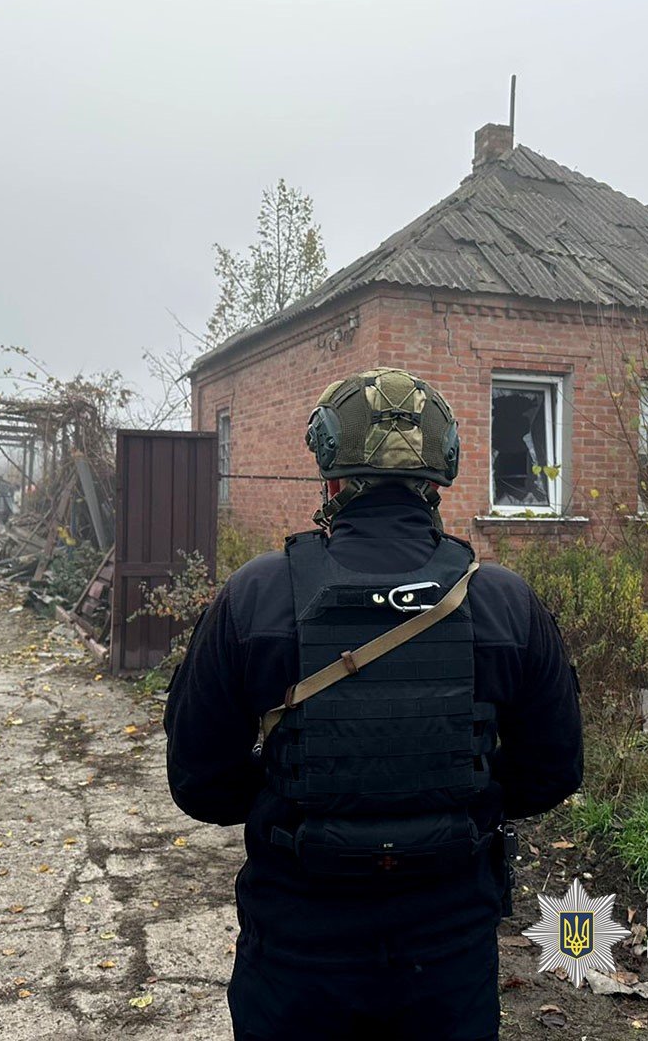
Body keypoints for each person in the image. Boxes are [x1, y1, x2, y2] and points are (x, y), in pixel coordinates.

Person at [164, 367, 583, 1041]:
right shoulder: (504, 601)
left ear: (330, 475)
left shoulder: (254, 596)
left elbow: (199, 783)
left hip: (297, 949)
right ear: (440, 475)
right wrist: (450, 799)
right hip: (448, 950)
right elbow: (553, 772)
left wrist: (300, 798)